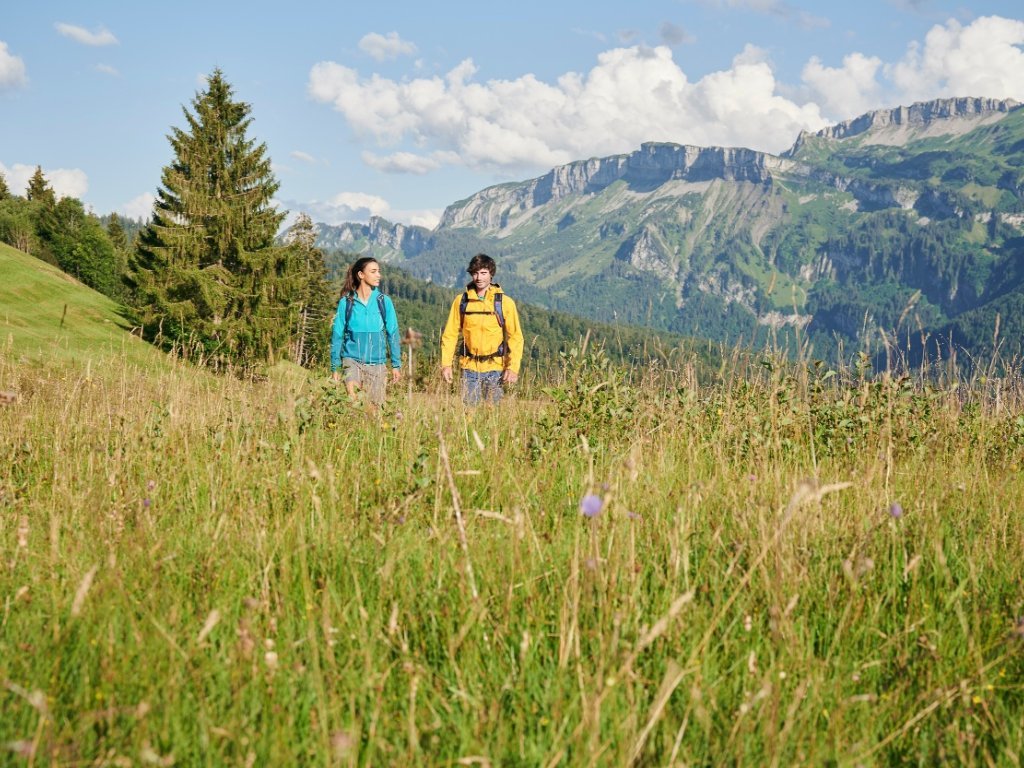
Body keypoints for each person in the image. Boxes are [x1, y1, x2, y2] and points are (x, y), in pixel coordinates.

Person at [440, 253, 524, 405]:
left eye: (483, 273)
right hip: (469, 368)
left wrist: (513, 368)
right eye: (475, 273)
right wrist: (446, 364)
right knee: (470, 416)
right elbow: (450, 335)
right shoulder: (461, 301)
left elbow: (515, 337)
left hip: (495, 368)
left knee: (493, 417)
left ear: (491, 274)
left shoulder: (504, 303)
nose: (479, 278)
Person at [330, 257, 401, 410]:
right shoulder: (346, 302)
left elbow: (393, 334)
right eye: (373, 271)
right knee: (354, 405)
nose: (378, 275)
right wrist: (335, 367)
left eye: (379, 271)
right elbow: (337, 336)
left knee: (374, 412)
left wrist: (396, 364)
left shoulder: (384, 301)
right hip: (351, 361)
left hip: (377, 364)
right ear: (361, 275)